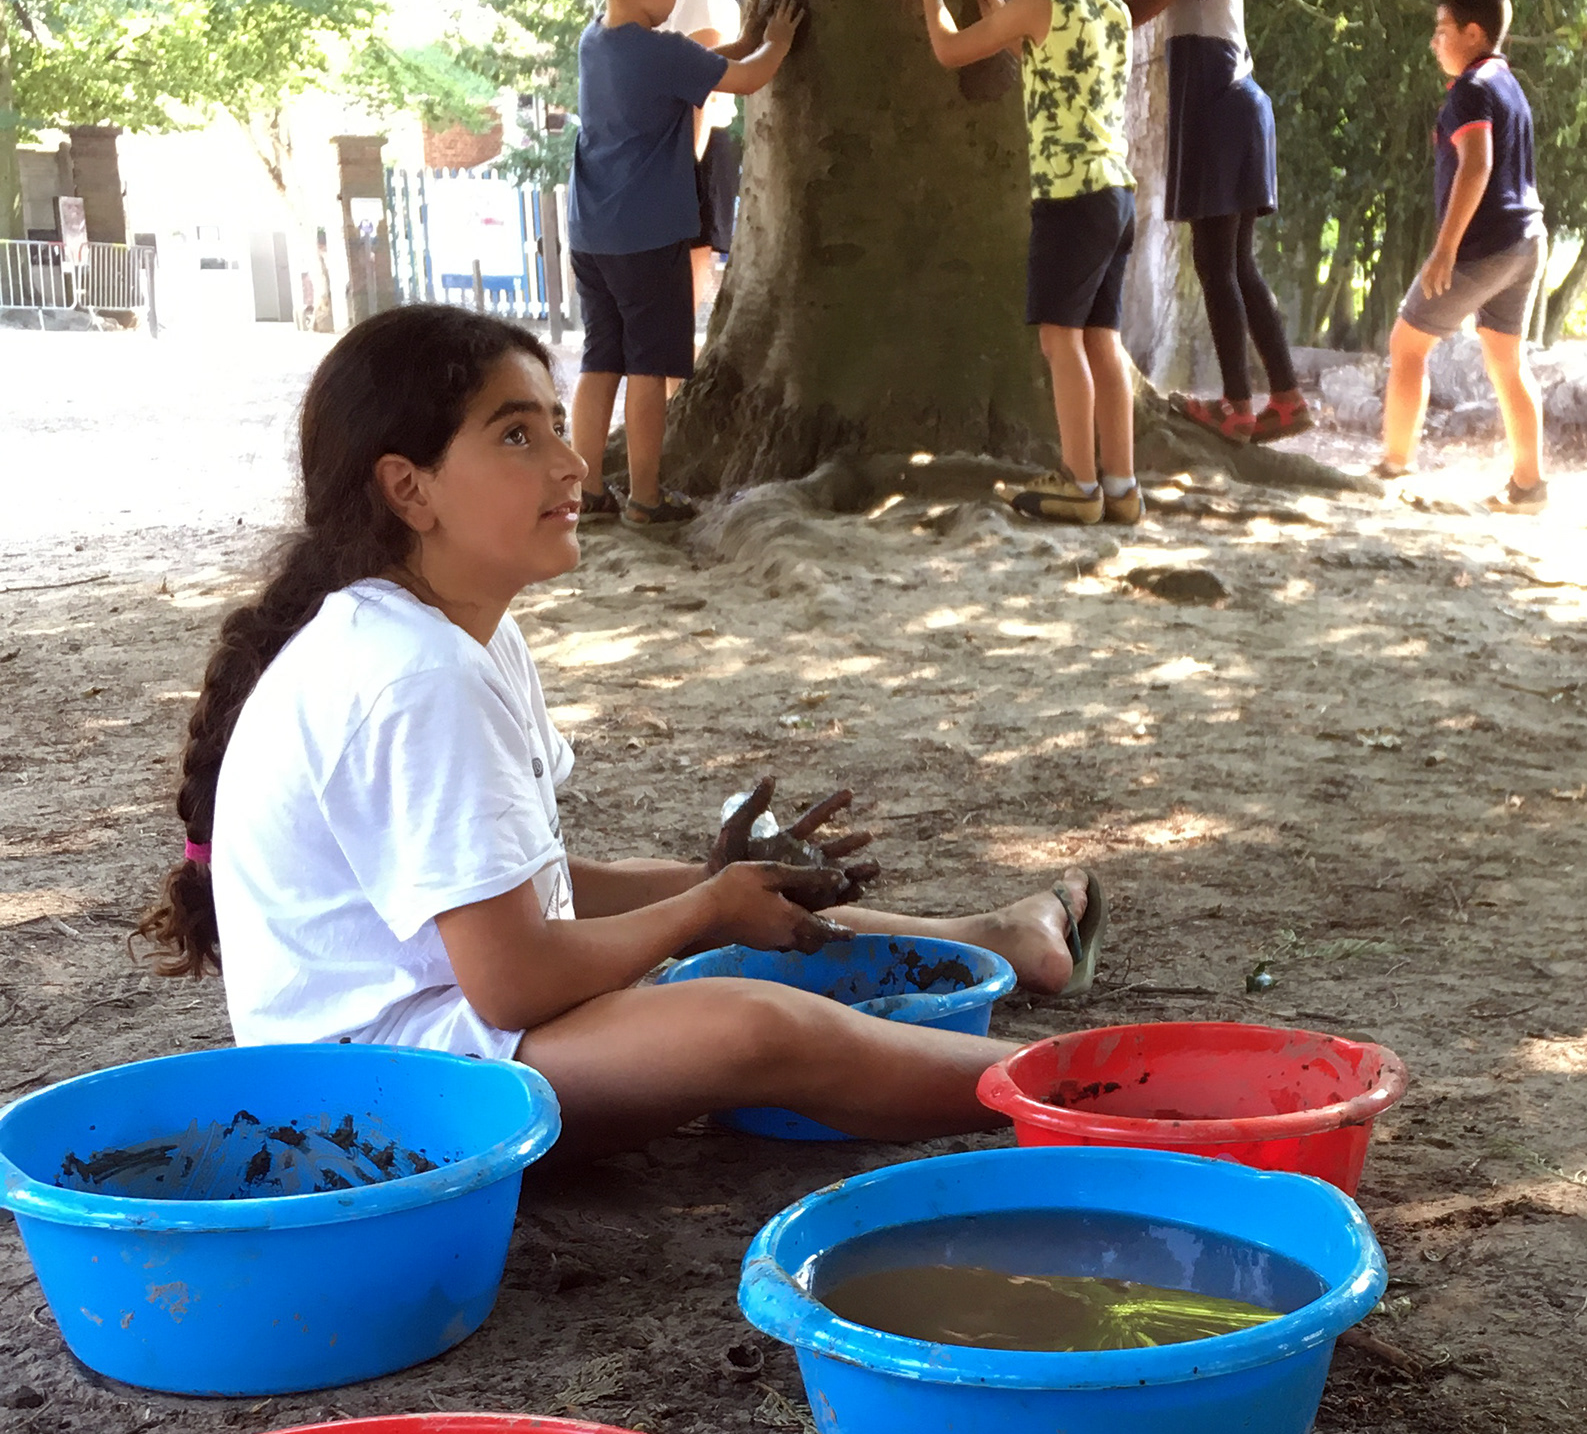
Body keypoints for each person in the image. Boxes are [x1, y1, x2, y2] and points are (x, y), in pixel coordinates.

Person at [138, 308, 1105, 1156]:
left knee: (743, 906)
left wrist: (720, 887)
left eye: (557, 426)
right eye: (516, 437)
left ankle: (997, 944)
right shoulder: (413, 675)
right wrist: (701, 910)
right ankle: (1099, 1100)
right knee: (756, 1023)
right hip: (376, 1114)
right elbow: (515, 979)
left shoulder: (459, 631)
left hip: (432, 1057)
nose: (568, 463)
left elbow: (532, 900)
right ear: (410, 489)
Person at [899, 0, 1142, 529]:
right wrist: (1005, 22)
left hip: (1067, 198)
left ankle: (1078, 480)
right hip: (1115, 194)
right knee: (1102, 341)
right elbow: (1064, 74)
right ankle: (1122, 483)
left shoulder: (1041, 5)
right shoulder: (1112, 10)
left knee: (1059, 342)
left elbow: (950, 50)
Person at [567, 0, 793, 532]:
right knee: (648, 368)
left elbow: (716, 59)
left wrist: (748, 39)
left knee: (599, 359)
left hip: (592, 233)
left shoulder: (596, 40)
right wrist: (780, 40)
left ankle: (587, 489)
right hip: (649, 237)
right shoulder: (660, 55)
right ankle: (645, 496)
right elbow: (746, 78)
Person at [1100, 0, 1308, 446]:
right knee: (1236, 265)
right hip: (1232, 110)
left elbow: (1136, 11)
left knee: (1215, 265)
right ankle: (1287, 397)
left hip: (1220, 110)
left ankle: (1239, 407)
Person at [1376, 0, 1548, 512]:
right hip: (1527, 241)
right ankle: (1529, 486)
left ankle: (1391, 469)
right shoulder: (1509, 85)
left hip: (1485, 246)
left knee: (1407, 345)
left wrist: (1444, 249)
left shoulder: (1471, 89)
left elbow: (1477, 166)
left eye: (1442, 29)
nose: (1435, 41)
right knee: (1507, 362)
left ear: (1473, 33)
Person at [599, 0, 741, 332]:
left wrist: (686, 166)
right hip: (651, 154)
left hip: (688, 151)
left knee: (674, 309)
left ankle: (667, 395)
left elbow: (706, 83)